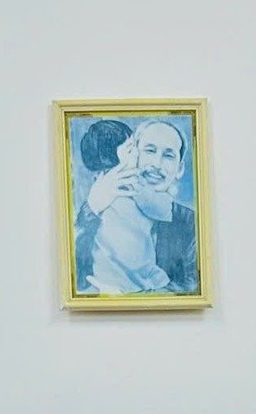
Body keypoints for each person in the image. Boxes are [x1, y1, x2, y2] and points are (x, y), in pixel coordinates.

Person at [73, 118, 198, 295]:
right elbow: (74, 274)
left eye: (168, 155)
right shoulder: (94, 209)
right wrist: (92, 208)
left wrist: (125, 299)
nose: (156, 164)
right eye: (149, 151)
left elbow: (192, 287)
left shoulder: (191, 223)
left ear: (180, 169)